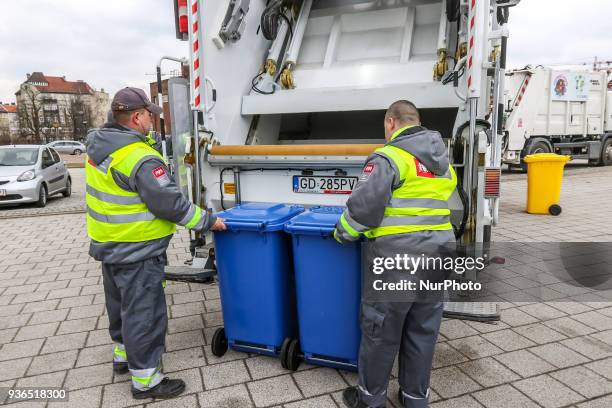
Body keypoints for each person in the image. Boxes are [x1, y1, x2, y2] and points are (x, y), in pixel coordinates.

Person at [85, 87, 226, 400]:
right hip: (140, 251)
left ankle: (123, 356)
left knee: (120, 306)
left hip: (111, 246)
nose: (153, 119)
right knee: (144, 314)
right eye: (150, 114)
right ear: (136, 117)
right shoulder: (140, 158)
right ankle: (146, 381)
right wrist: (207, 221)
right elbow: (170, 204)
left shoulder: (99, 147)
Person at [334, 100, 457, 408]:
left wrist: (342, 232)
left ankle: (370, 400)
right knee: (422, 329)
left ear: (391, 122)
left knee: (381, 330)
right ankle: (415, 398)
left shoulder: (388, 157)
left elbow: (363, 210)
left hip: (397, 261)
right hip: (438, 255)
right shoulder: (443, 162)